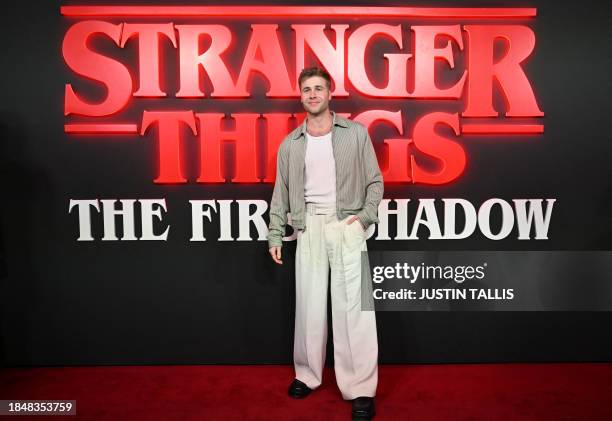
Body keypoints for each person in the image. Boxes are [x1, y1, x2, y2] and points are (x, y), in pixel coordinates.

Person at [267, 67, 383, 420]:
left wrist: (363, 217)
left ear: (330, 94)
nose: (313, 94)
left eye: (319, 88)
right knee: (309, 306)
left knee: (355, 312)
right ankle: (308, 374)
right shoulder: (290, 143)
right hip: (309, 226)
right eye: (307, 89)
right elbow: (281, 193)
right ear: (301, 96)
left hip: (346, 223)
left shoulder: (356, 134)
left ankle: (361, 388)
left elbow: (375, 183)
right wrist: (275, 232)